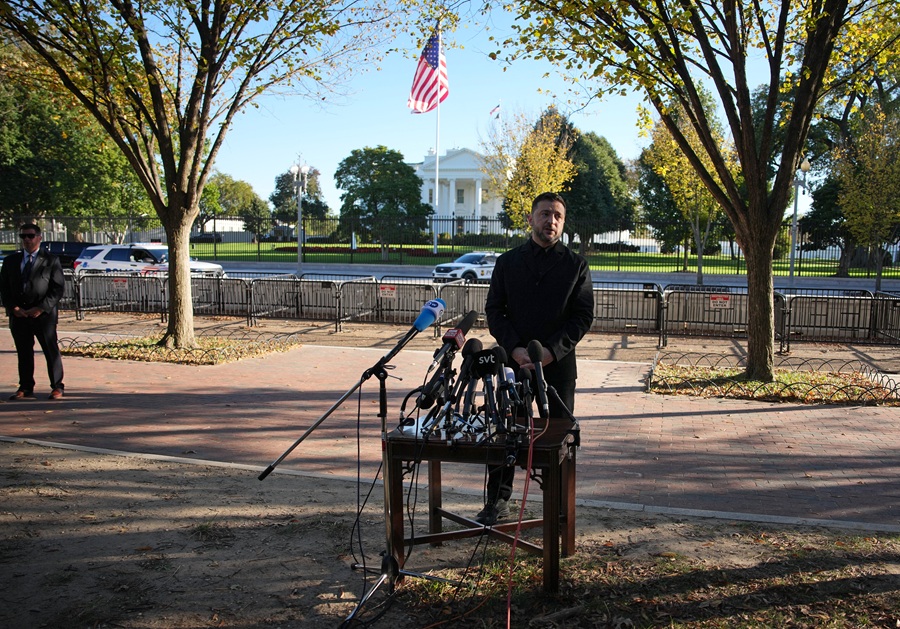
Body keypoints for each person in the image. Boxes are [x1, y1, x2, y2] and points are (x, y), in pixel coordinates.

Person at [478, 192, 594, 525]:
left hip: (557, 369)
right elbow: (494, 311)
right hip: (513, 365)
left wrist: (549, 352)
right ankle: (497, 502)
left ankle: (558, 505)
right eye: (545, 214)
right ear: (530, 219)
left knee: (558, 439)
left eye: (557, 215)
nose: (551, 221)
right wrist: (514, 348)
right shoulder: (507, 262)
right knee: (506, 434)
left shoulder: (576, 265)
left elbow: (582, 317)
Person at [0, 223, 66, 400]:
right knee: (24, 352)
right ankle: (26, 387)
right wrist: (13, 308)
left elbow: (57, 289)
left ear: (39, 237)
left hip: (43, 315)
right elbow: (4, 288)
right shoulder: (11, 261)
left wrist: (41, 308)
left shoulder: (51, 260)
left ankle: (57, 386)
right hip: (19, 315)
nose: (27, 240)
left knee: (50, 350)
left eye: (30, 236)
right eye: (23, 237)